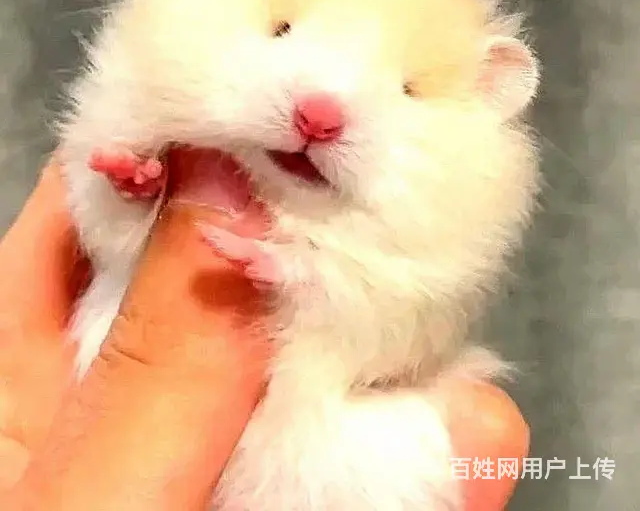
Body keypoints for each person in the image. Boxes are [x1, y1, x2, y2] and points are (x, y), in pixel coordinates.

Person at [0, 150, 529, 510]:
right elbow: (102, 244)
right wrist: (128, 195)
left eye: (407, 89)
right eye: (282, 30)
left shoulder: (436, 250)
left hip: (311, 449)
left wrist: (307, 274)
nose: (316, 119)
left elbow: (385, 336)